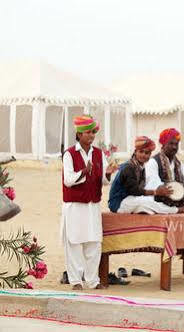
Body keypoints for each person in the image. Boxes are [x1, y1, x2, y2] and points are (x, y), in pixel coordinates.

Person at [61, 115, 118, 290]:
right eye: (87, 132)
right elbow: (68, 180)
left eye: (93, 132)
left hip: (92, 206)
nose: (91, 135)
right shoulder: (69, 154)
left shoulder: (99, 154)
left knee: (94, 243)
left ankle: (93, 280)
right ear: (78, 134)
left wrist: (108, 173)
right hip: (75, 206)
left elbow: (103, 181)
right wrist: (84, 172)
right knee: (75, 243)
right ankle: (76, 281)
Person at [108, 136, 184, 214]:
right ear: (135, 152)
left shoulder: (140, 166)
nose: (143, 155)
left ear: (150, 155)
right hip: (118, 203)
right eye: (141, 151)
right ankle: (177, 210)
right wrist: (155, 192)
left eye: (147, 153)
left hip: (130, 200)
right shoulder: (129, 167)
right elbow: (134, 191)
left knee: (149, 206)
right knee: (146, 202)